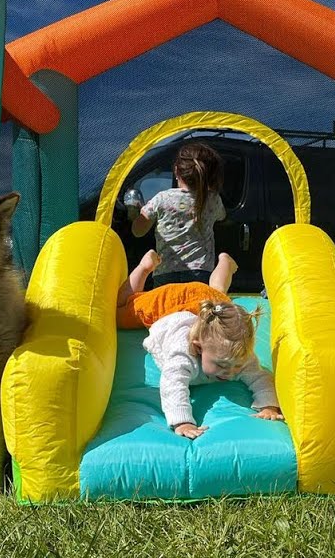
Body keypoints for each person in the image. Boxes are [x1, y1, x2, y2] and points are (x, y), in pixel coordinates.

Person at [116, 250, 282, 440]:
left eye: (236, 366)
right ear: (198, 348)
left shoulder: (232, 353)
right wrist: (182, 421)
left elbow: (260, 376)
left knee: (217, 295)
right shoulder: (182, 353)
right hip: (167, 304)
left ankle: (225, 262)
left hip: (204, 301)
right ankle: (144, 268)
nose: (230, 372)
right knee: (120, 311)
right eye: (221, 365)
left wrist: (269, 405)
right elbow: (173, 384)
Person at [127, 142, 226, 287]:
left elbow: (138, 231)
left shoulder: (161, 198)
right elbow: (222, 216)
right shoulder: (213, 199)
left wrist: (134, 212)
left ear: (176, 171)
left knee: (167, 308)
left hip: (165, 272)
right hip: (201, 273)